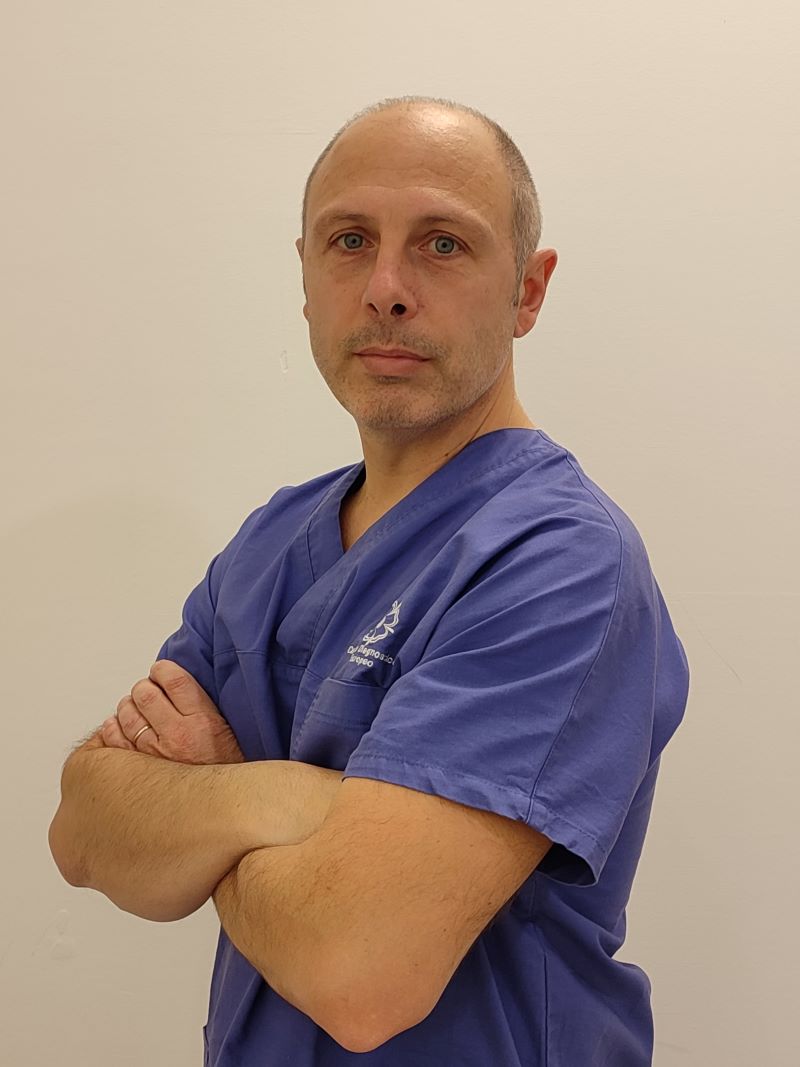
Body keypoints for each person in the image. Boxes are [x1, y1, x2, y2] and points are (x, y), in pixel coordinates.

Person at [48, 94, 690, 1065]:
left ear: (527, 290)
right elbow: (85, 829)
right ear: (305, 278)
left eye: (442, 244)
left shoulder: (559, 561)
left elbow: (360, 970)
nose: (386, 288)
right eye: (349, 241)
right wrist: (289, 803)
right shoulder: (269, 544)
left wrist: (202, 798)